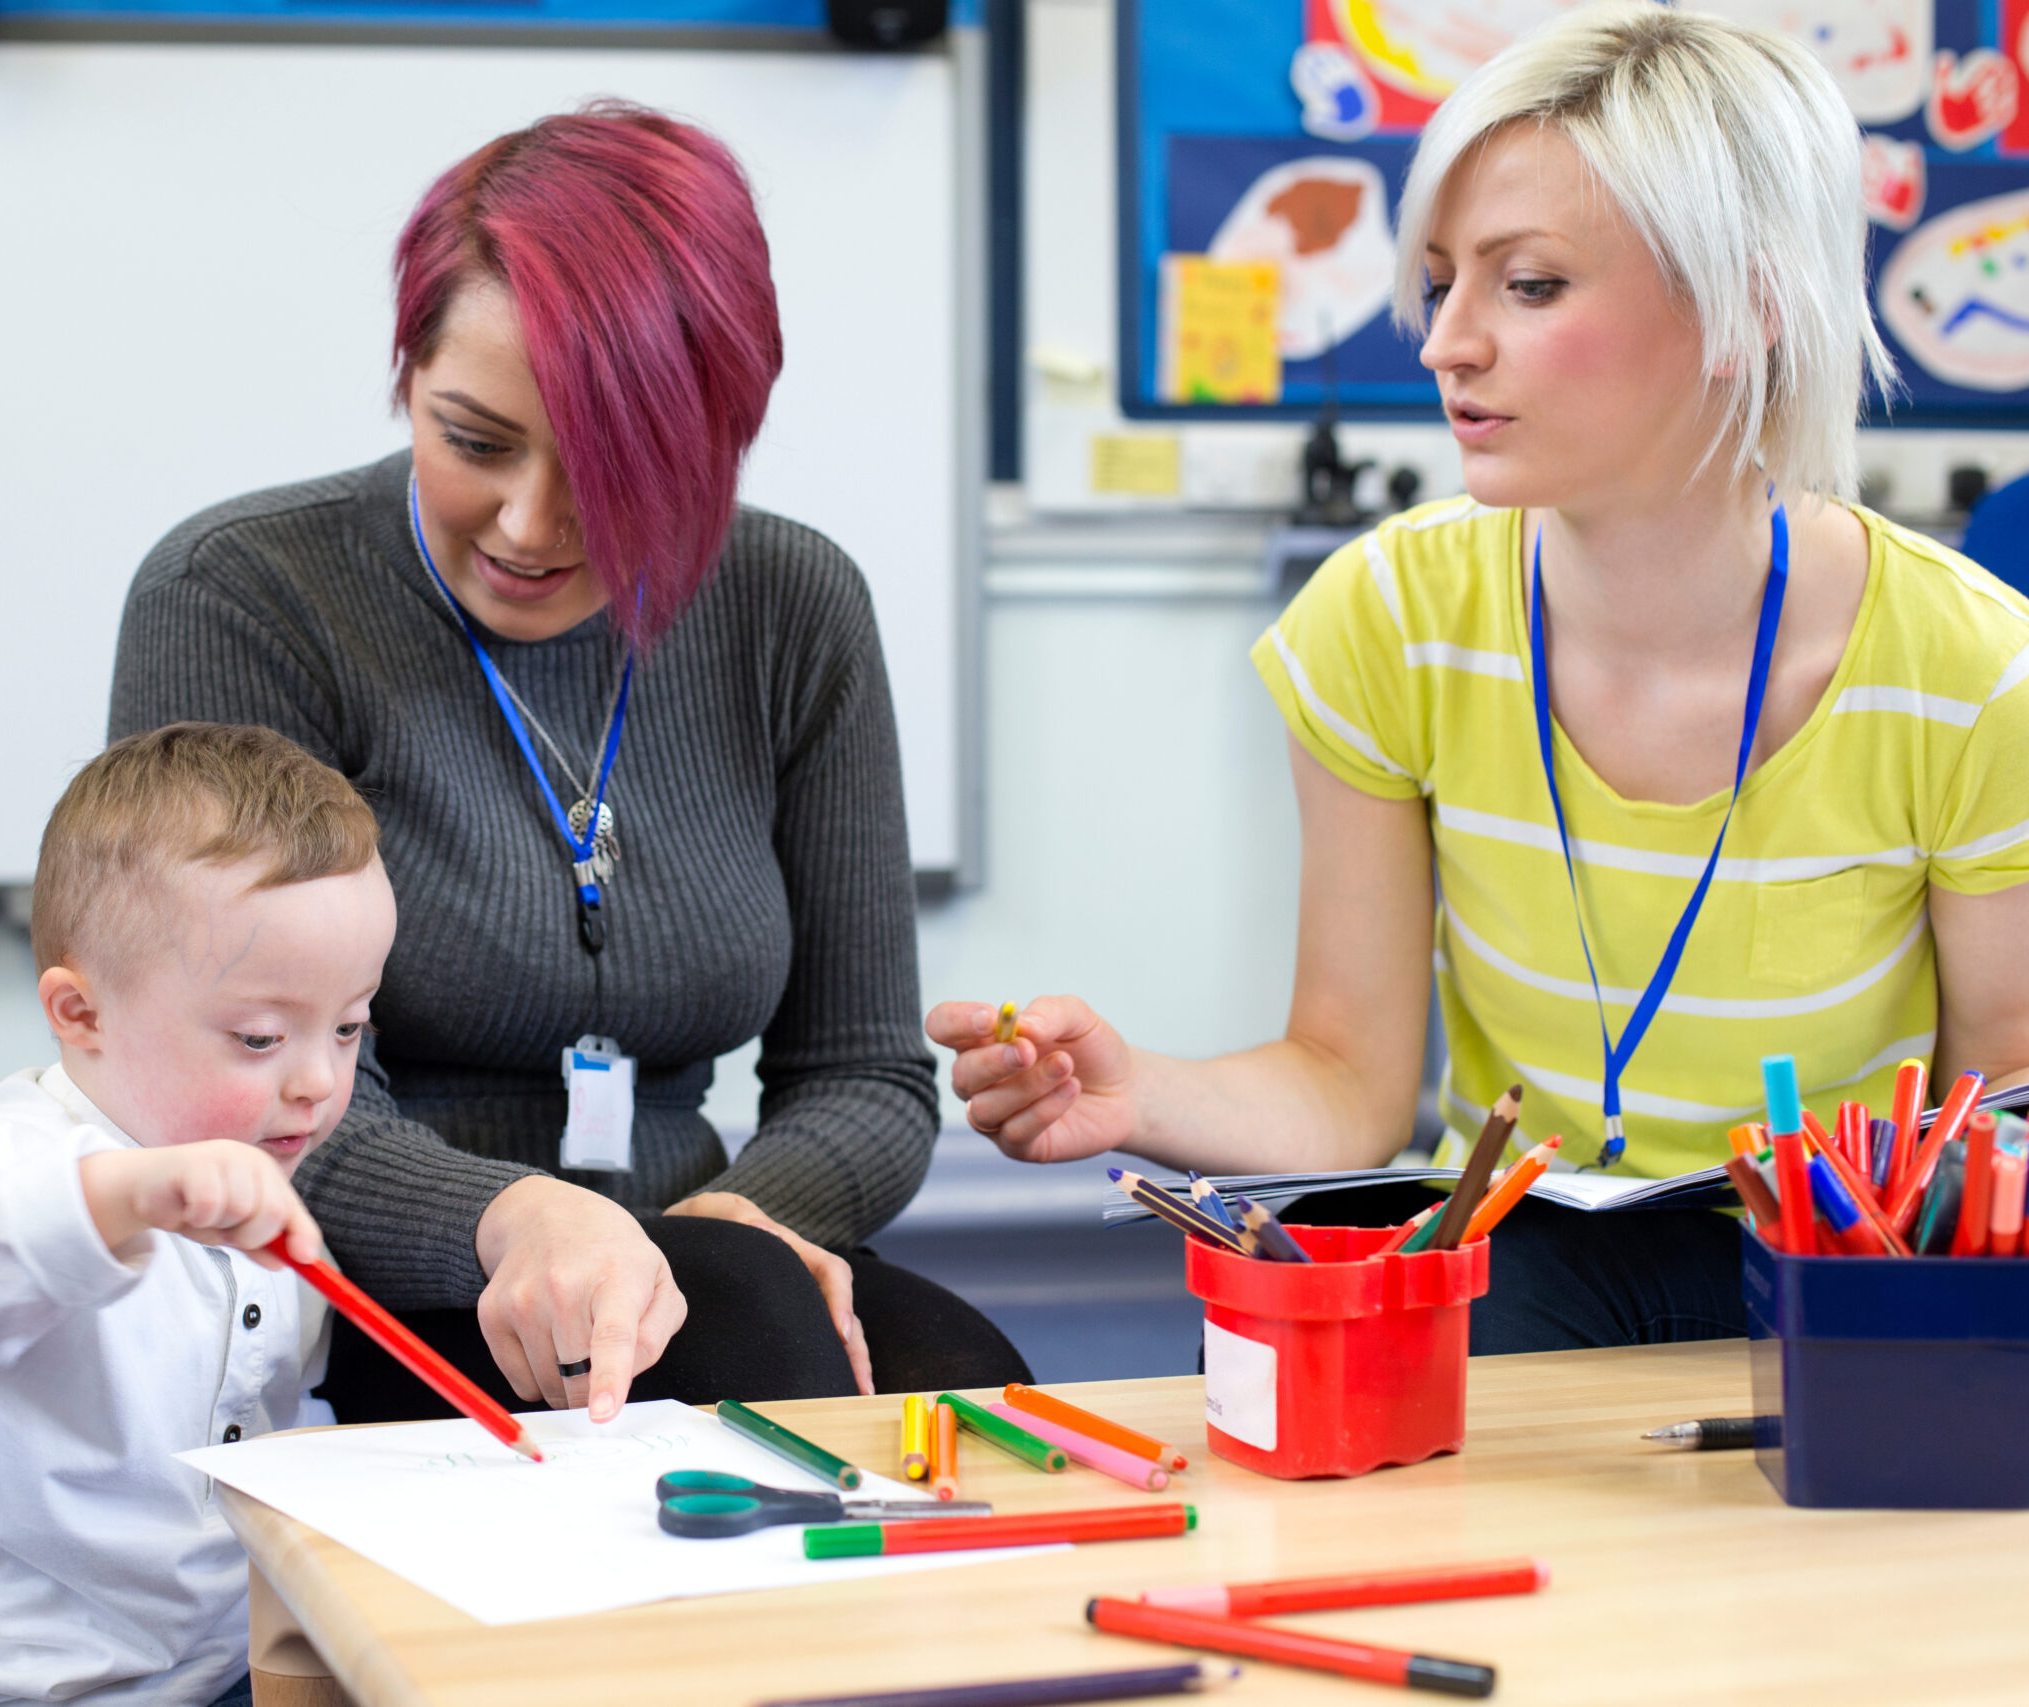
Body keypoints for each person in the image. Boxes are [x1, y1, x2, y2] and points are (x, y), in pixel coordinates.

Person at [933, 5, 2029, 1351]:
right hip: (1522, 1252)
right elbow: (1350, 1085)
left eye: (1529, 283)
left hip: (1833, 1263)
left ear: (1747, 308)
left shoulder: (1974, 671)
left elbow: (1998, 1113)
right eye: (1444, 278)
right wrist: (1132, 1086)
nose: (1446, 339)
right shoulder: (1387, 618)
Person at [108, 103, 1028, 1424]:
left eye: (612, 468)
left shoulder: (793, 605)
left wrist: (738, 1220)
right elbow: (246, 1097)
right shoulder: (244, 599)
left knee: (970, 1388)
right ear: (407, 373)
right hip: (367, 1274)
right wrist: (522, 1216)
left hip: (693, 1246)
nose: (530, 525)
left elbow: (865, 1078)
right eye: (472, 439)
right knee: (763, 1358)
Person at [0, 724, 395, 1707]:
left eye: (348, 1026)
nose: (320, 1084)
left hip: (202, 1675)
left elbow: (269, 1415)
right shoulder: (16, 1159)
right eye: (258, 1037)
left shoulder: (255, 1175)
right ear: (80, 1015)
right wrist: (124, 1198)